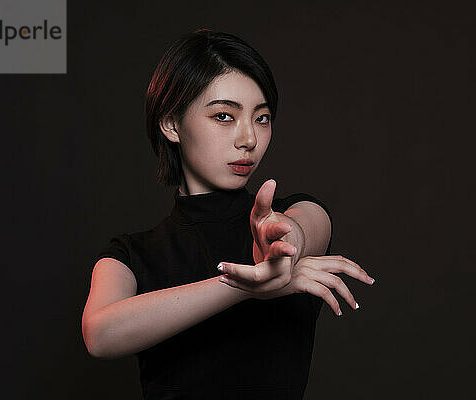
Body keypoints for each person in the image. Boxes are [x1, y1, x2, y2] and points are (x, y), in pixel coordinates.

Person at [82, 28, 375, 399]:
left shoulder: (297, 211)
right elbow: (99, 334)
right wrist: (245, 286)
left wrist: (286, 242)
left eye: (262, 118)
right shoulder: (130, 255)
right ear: (172, 123)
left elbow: (300, 232)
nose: (248, 139)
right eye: (224, 116)